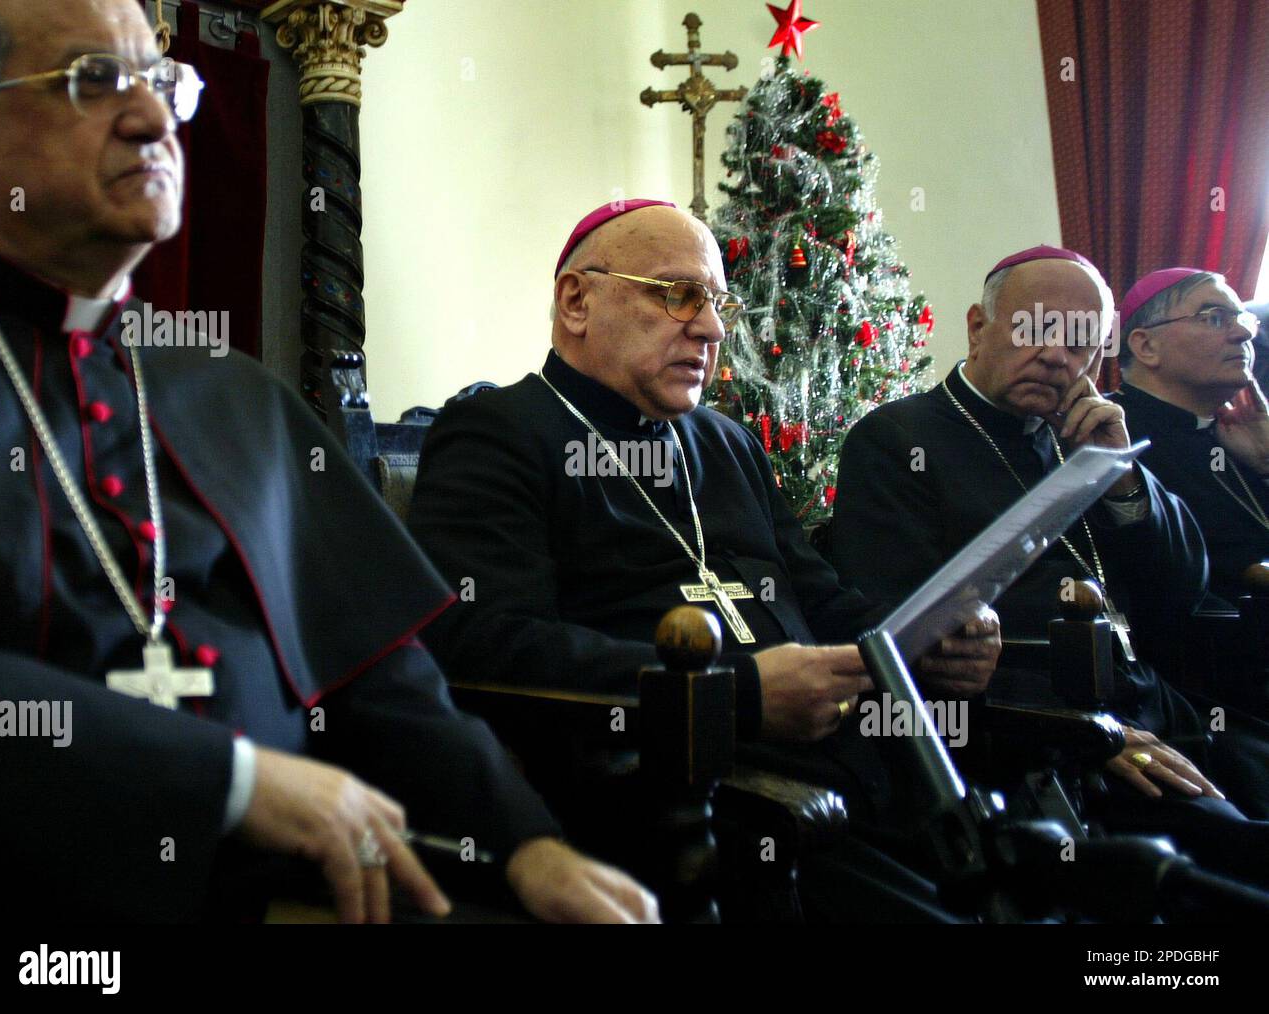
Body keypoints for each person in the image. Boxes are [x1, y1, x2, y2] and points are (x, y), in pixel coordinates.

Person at [0, 0, 656, 924]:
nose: (151, 117)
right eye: (94, 80)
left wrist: (524, 843)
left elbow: (376, 669)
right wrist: (234, 781)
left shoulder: (232, 393)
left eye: (163, 81)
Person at [406, 198, 1002, 921]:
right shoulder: (501, 432)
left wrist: (923, 640)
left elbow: (823, 597)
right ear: (576, 300)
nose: (714, 329)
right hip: (696, 805)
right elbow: (483, 647)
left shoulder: (725, 443)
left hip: (866, 777)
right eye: (679, 295)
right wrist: (736, 694)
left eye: (718, 303)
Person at [823, 245, 1269, 885]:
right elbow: (908, 640)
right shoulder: (899, 440)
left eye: (1081, 340)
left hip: (1155, 704)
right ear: (979, 327)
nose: (1058, 355)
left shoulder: (1084, 435)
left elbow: (1181, 588)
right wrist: (1085, 732)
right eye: (1036, 328)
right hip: (1041, 735)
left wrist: (1120, 474)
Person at [1112, 268, 1268, 605]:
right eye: (1215, 318)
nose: (1243, 332)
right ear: (1146, 345)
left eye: (1242, 318)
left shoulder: (1242, 434)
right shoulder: (1110, 435)